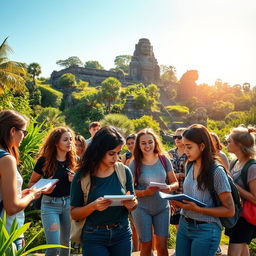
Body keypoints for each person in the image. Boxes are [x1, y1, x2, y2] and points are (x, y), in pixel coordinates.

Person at [70, 126, 138, 256]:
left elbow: (134, 203)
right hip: (94, 235)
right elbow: (74, 213)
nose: (116, 158)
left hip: (122, 233)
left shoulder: (124, 171)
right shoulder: (81, 176)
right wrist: (93, 206)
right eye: (111, 153)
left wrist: (132, 203)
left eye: (118, 153)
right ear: (99, 151)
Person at [172, 124, 235, 256]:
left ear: (202, 146)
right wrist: (178, 202)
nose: (185, 151)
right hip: (184, 224)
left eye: (189, 147)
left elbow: (229, 210)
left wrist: (198, 209)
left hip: (206, 229)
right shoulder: (189, 165)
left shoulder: (216, 171)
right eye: (184, 147)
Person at [130, 128, 179, 256]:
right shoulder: (134, 163)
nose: (147, 146)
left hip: (162, 207)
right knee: (146, 245)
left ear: (155, 142)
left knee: (162, 246)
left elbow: (175, 183)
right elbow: (129, 191)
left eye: (150, 142)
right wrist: (144, 193)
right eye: (143, 143)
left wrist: (169, 188)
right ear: (138, 145)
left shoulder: (163, 159)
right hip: (141, 208)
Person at [28, 127, 77, 256]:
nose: (69, 142)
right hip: (50, 205)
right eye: (65, 140)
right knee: (54, 247)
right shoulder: (44, 161)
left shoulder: (74, 160)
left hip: (68, 203)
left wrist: (74, 181)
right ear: (56, 143)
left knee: (66, 245)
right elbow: (31, 184)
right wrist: (44, 188)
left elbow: (83, 185)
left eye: (71, 139)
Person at [0, 110, 41, 250]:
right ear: (12, 131)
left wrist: (20, 194)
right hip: (7, 234)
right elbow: (11, 208)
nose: (24, 136)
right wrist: (32, 195)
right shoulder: (6, 159)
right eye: (24, 132)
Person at [225, 126, 256, 256]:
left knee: (233, 251)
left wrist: (233, 185)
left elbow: (255, 198)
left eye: (229, 141)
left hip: (246, 218)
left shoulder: (252, 167)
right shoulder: (234, 162)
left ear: (239, 144)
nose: (226, 143)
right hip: (236, 214)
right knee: (243, 249)